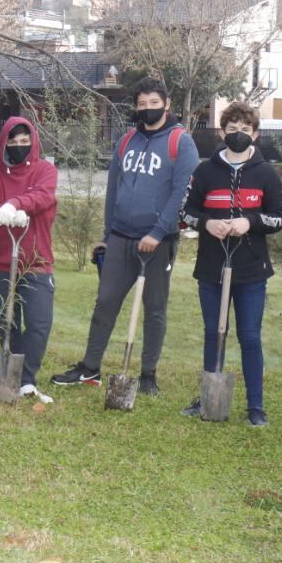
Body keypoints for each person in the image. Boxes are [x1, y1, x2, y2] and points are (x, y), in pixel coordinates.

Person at [50, 76, 199, 393]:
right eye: (142, 104)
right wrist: (107, 234)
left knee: (155, 308)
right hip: (120, 238)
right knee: (105, 303)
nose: (147, 109)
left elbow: (181, 194)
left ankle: (148, 375)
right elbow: (113, 190)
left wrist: (158, 233)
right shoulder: (126, 141)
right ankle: (90, 368)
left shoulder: (180, 142)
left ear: (167, 104)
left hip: (158, 242)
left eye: (154, 104)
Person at [179, 102, 282, 426]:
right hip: (211, 266)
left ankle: (256, 406)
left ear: (255, 134)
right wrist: (206, 223)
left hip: (251, 269)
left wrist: (249, 222)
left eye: (245, 130)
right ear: (222, 132)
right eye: (232, 129)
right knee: (215, 332)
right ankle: (208, 396)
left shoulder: (266, 174)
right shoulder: (204, 172)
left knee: (249, 336)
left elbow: (279, 219)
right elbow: (185, 212)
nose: (238, 135)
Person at [0, 116, 59, 402]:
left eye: (25, 141)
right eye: (13, 141)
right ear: (3, 143)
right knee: (7, 322)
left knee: (39, 322)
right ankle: (12, 374)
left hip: (35, 260)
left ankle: (27, 379)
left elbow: (43, 196)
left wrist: (15, 203)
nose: (19, 146)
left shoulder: (45, 170)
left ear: (33, 142)